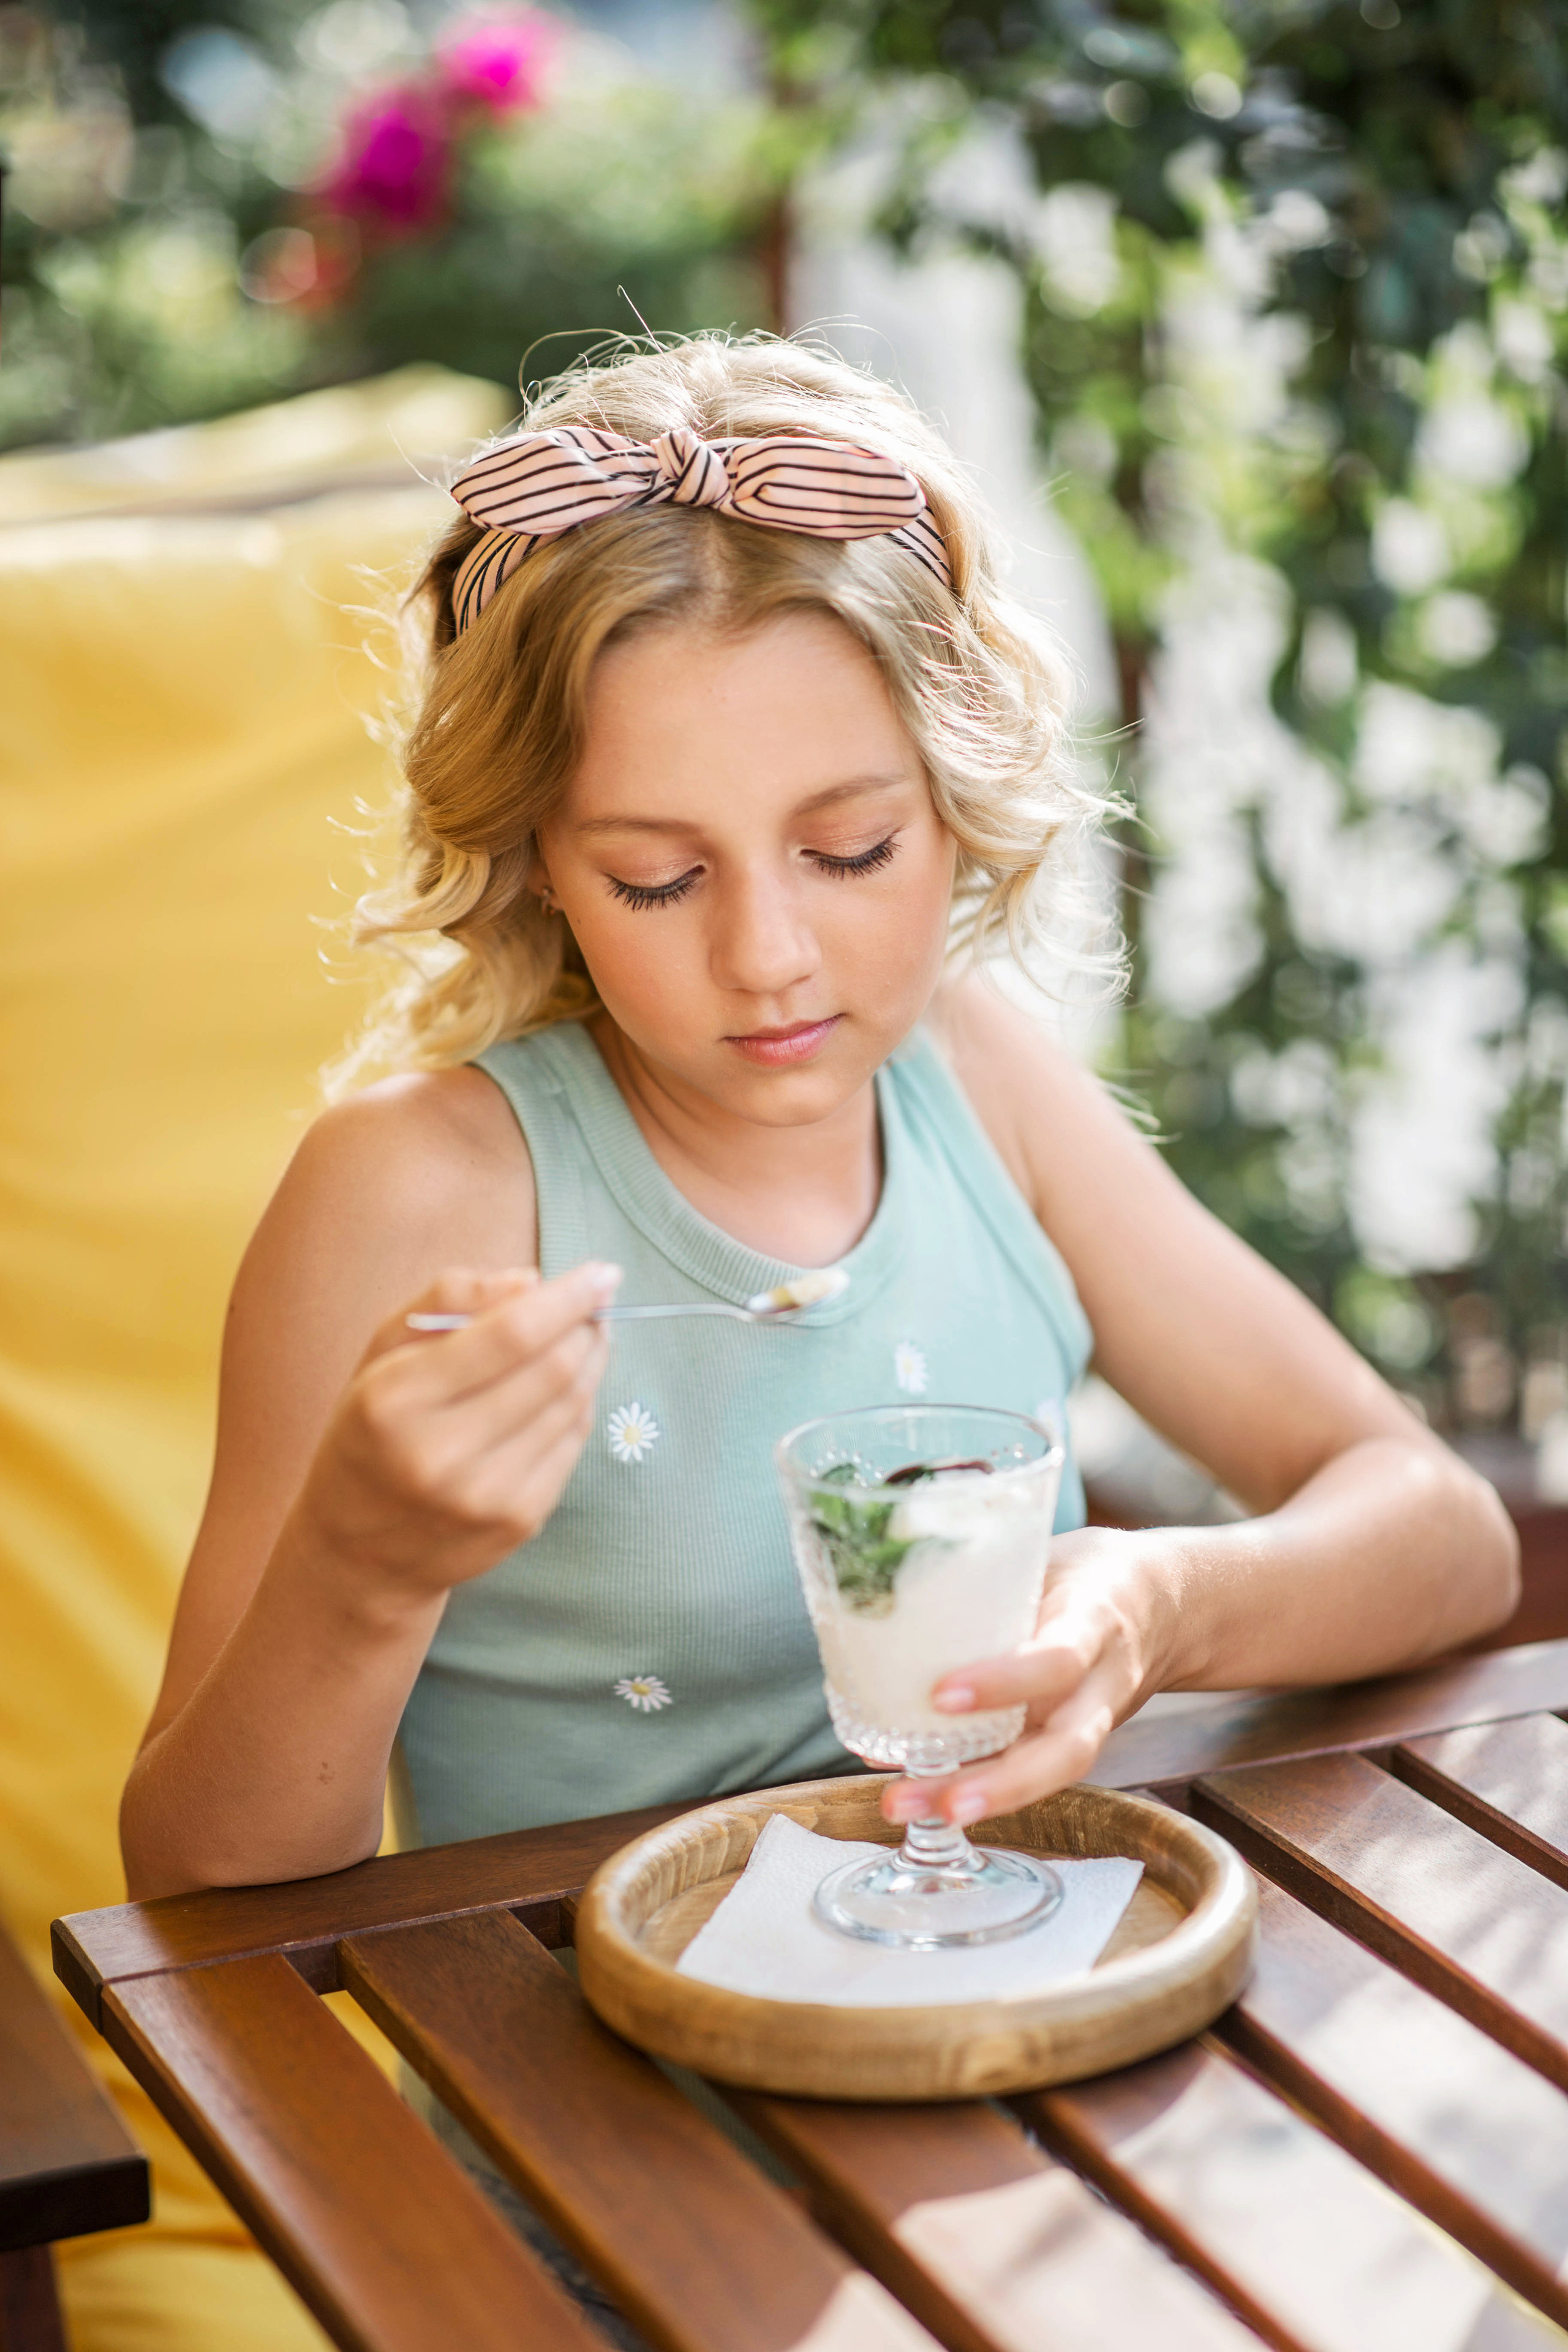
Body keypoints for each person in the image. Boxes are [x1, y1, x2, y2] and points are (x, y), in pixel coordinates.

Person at [121, 334, 1518, 1910]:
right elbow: (193, 1877)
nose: (767, 958)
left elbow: (1442, 1539)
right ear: (541, 868)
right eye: (657, 875)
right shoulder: (422, 1191)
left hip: (1013, 2024)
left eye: (848, 849)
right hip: (593, 2101)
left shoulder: (970, 1080)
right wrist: (362, 1568)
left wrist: (1154, 1603)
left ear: (952, 794)